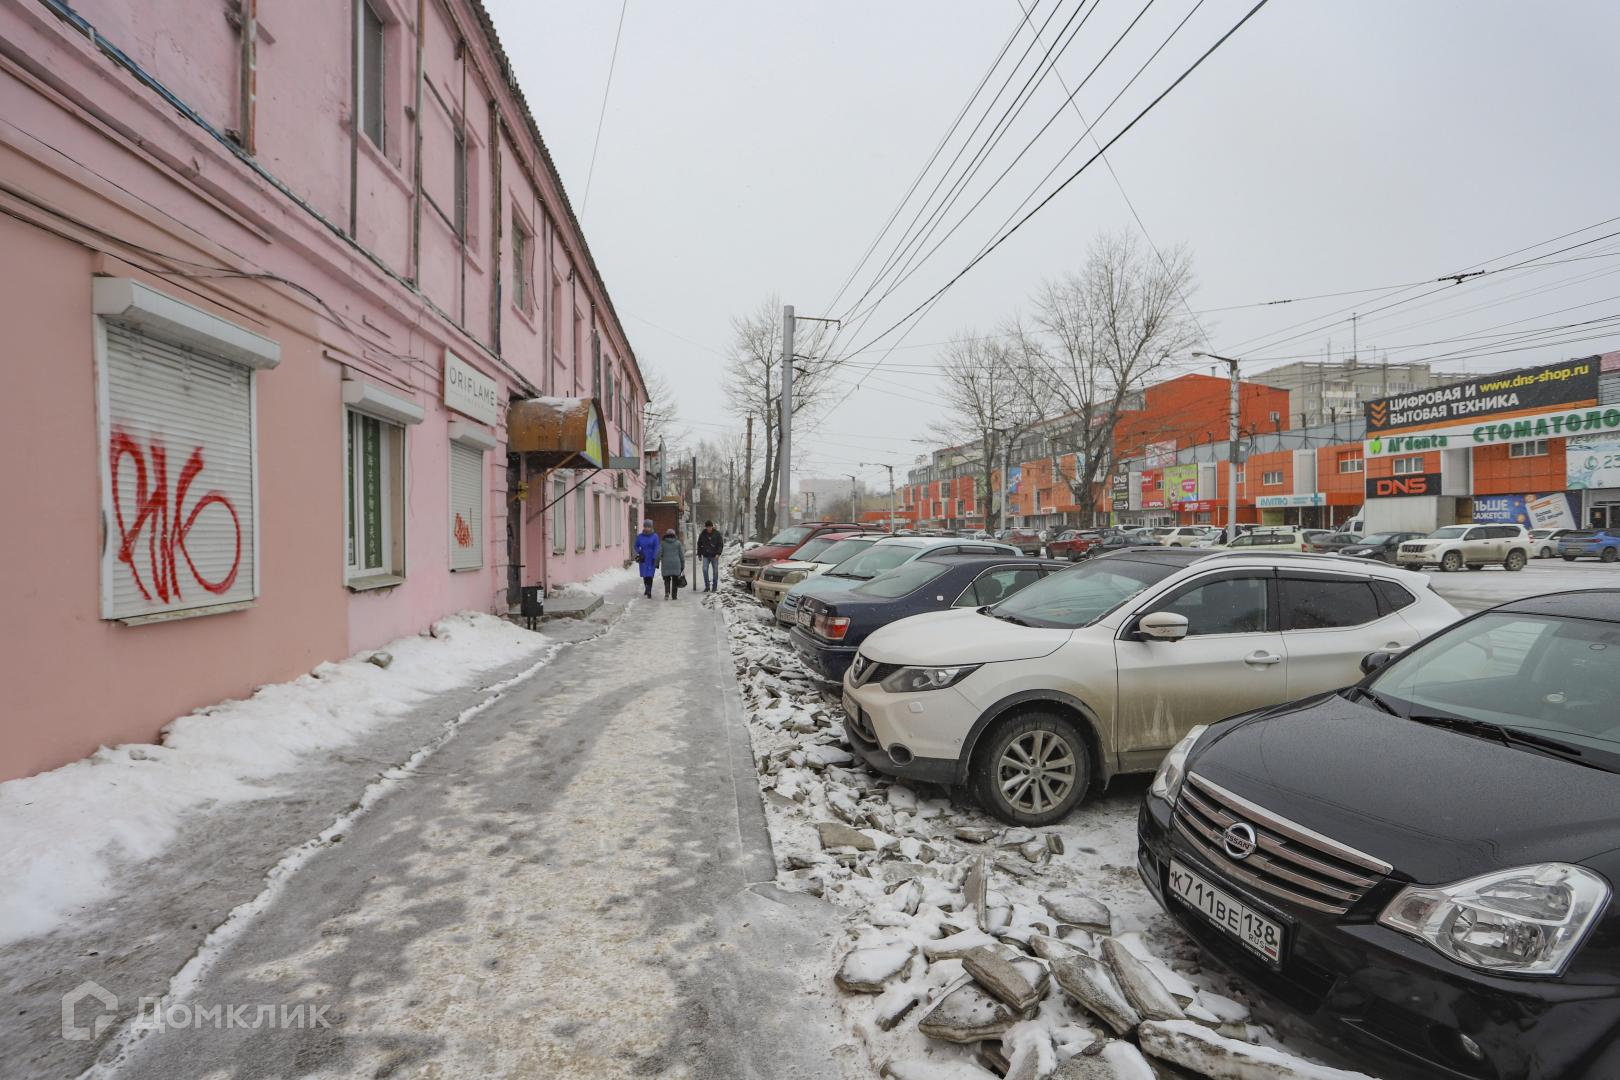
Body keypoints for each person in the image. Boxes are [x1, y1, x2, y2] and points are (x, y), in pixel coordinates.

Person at [634, 520, 660, 598]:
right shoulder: (640, 536)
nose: (647, 528)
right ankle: (646, 588)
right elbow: (636, 546)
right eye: (645, 526)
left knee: (650, 575)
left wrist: (654, 557)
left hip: (651, 558)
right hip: (643, 558)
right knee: (645, 575)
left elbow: (656, 547)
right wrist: (640, 551)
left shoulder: (655, 536)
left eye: (648, 527)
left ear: (651, 527)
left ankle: (649, 591)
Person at [697, 520, 724, 592]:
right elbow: (699, 544)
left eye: (710, 527)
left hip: (714, 556)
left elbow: (720, 544)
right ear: (705, 527)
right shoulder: (703, 534)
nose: (709, 528)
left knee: (715, 571)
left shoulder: (717, 534)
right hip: (706, 555)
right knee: (704, 570)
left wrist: (718, 553)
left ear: (712, 527)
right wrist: (699, 554)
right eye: (707, 527)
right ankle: (707, 586)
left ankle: (714, 587)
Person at [659, 528, 686, 600]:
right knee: (675, 580)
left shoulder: (663, 543)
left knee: (666, 579)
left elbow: (659, 553)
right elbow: (681, 555)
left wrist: (656, 563)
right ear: (674, 535)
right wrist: (682, 565)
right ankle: (674, 596)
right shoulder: (678, 543)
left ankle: (667, 592)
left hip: (666, 564)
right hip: (676, 564)